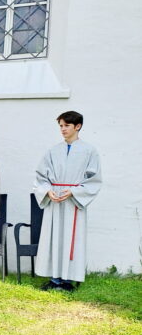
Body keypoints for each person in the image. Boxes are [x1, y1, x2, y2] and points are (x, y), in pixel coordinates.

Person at [33, 111, 102, 291]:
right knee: (54, 238)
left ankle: (68, 280)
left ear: (77, 126)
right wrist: (47, 191)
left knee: (71, 239)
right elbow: (41, 176)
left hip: (74, 202)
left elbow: (94, 180)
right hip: (55, 200)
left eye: (66, 126)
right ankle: (54, 279)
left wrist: (74, 192)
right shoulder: (53, 151)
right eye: (61, 126)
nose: (63, 129)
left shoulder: (89, 151)